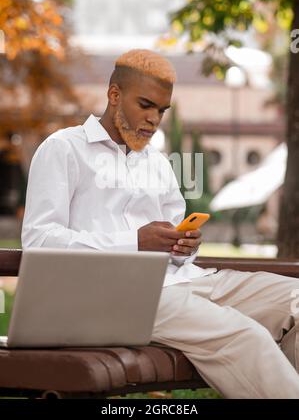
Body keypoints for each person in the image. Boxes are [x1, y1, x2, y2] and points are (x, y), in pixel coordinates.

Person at [21, 49, 299, 399]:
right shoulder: (64, 149)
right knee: (246, 335)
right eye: (145, 105)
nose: (154, 119)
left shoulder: (157, 162)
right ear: (114, 94)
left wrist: (183, 246)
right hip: (115, 296)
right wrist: (134, 241)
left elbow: (171, 244)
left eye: (162, 110)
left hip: (184, 281)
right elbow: (40, 240)